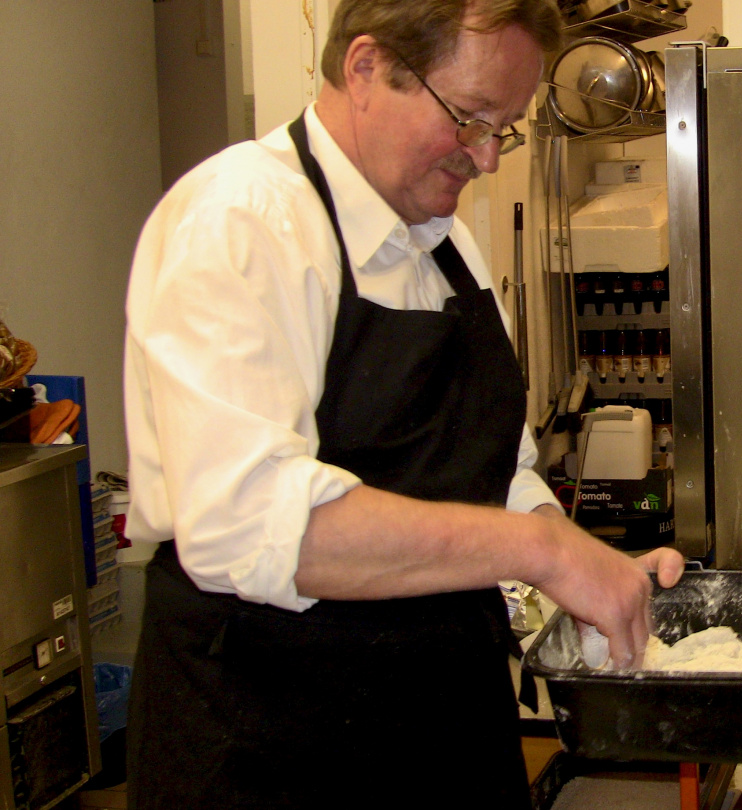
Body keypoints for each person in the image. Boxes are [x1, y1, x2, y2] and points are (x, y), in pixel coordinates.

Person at [122, 0, 683, 806]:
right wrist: (542, 554)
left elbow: (498, 474)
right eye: (470, 119)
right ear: (365, 68)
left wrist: (586, 567)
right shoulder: (243, 218)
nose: (488, 158)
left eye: (505, 127)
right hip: (271, 739)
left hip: (439, 718)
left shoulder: (441, 240)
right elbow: (250, 525)